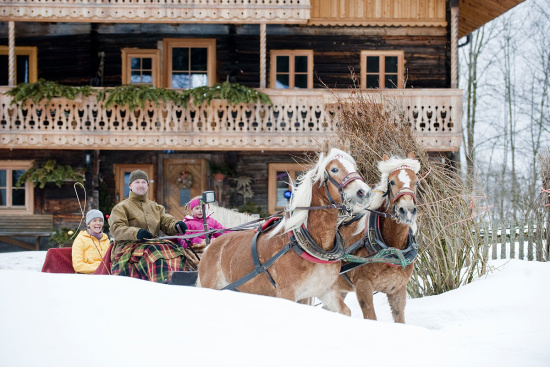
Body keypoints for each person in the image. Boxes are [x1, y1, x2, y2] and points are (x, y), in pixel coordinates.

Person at [108, 169, 198, 282]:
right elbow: (117, 229)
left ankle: (181, 280)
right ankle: (163, 281)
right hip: (128, 246)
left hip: (152, 244)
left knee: (176, 249)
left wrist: (176, 225)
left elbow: (166, 220)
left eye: (143, 182)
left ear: (147, 185)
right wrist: (137, 233)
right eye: (137, 182)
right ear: (130, 185)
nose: (141, 185)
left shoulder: (155, 206)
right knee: (153, 251)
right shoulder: (121, 207)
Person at [72, 209, 111, 274]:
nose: (98, 223)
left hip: (106, 275)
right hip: (87, 276)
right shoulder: (80, 239)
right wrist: (101, 268)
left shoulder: (106, 240)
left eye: (100, 220)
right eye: (94, 220)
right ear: (88, 224)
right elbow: (78, 266)